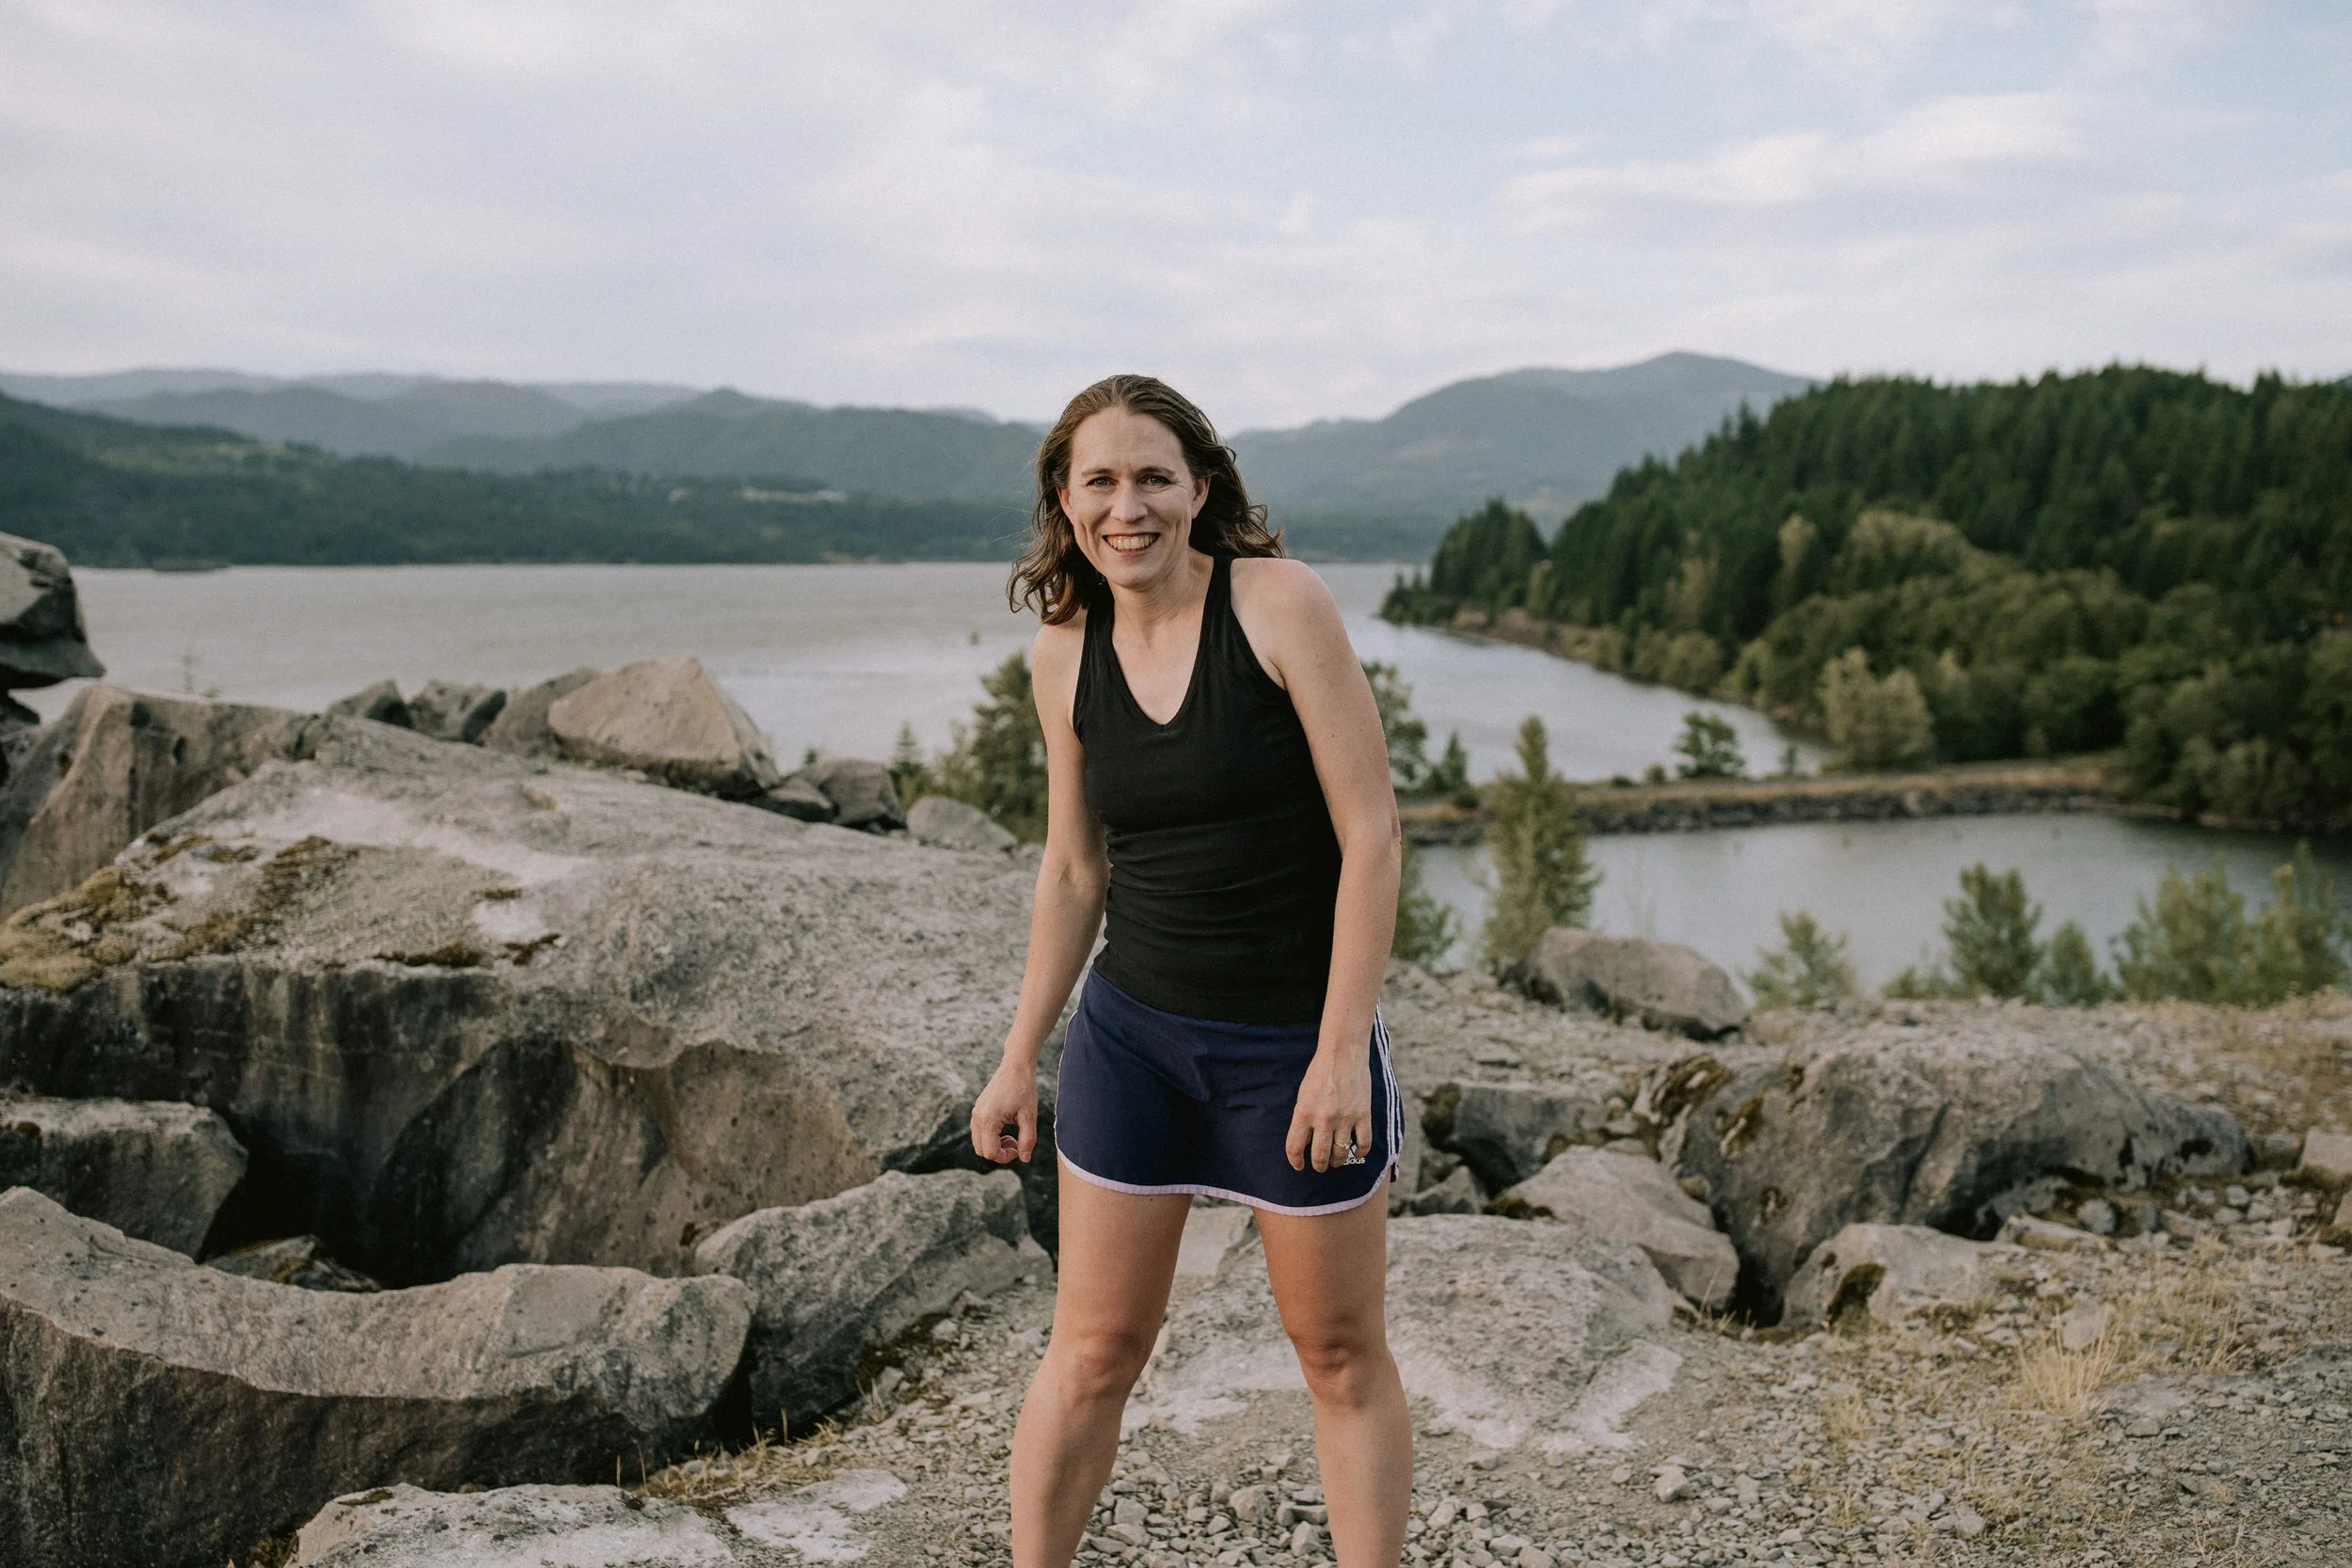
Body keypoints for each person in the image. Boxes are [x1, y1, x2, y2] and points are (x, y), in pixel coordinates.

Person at [969, 374, 1410, 1568]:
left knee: (1337, 1355)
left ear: (1200, 488)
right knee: (1093, 1351)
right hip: (1135, 1042)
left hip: (1288, 1047)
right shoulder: (1062, 655)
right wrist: (1019, 1057)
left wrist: (1338, 1053)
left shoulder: (1277, 604)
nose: (1129, 506)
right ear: (1064, 502)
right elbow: (1072, 872)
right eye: (1099, 481)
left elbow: (1370, 833)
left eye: (1154, 476)